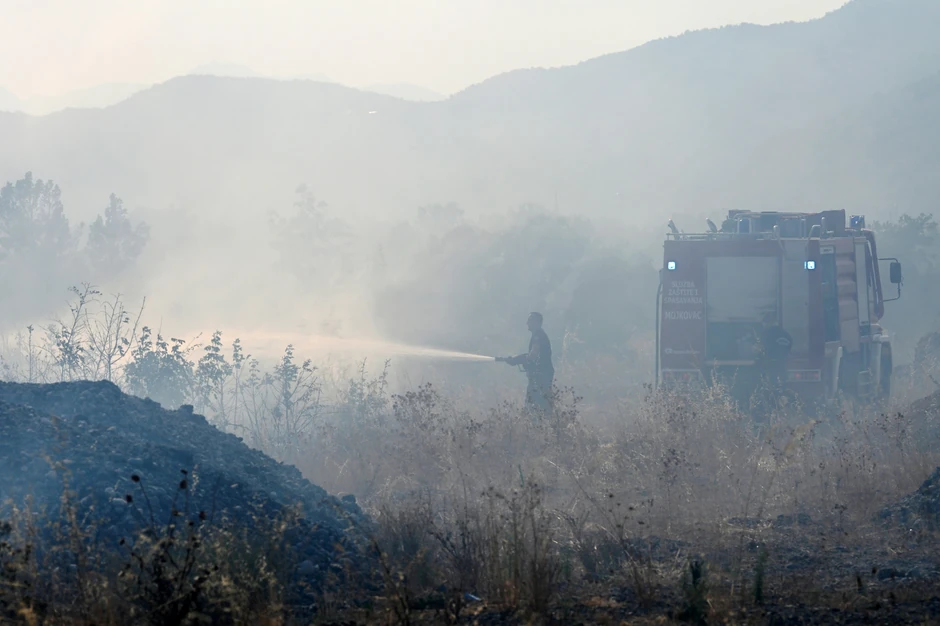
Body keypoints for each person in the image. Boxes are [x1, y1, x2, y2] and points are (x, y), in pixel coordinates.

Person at [499, 312, 555, 414]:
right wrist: (517, 359)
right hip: (541, 375)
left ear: (536, 322)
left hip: (539, 377)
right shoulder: (539, 335)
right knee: (543, 404)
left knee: (533, 405)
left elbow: (533, 355)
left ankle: (537, 425)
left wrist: (517, 360)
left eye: (529, 320)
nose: (527, 323)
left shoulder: (538, 336)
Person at [754, 311, 792, 415]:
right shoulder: (786, 335)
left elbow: (760, 350)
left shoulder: (766, 334)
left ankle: (770, 413)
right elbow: (788, 350)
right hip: (782, 367)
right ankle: (784, 412)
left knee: (769, 391)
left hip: (769, 368)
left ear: (767, 323)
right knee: (782, 390)